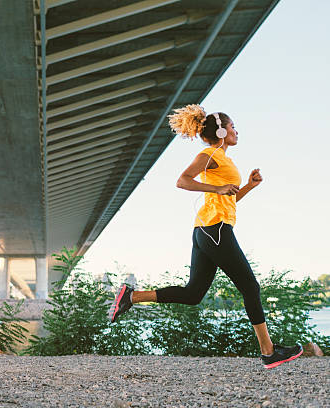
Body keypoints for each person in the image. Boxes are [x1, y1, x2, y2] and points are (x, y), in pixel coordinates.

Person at [108, 104, 302, 369]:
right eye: (232, 126)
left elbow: (228, 199)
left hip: (207, 230)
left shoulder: (224, 159)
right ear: (221, 130)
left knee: (193, 293)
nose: (236, 131)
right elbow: (182, 180)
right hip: (215, 230)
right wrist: (217, 186)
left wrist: (248, 186)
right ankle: (268, 351)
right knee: (250, 287)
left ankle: (131, 297)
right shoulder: (209, 153)